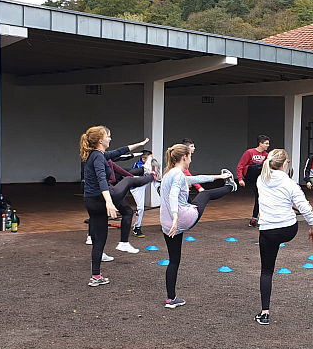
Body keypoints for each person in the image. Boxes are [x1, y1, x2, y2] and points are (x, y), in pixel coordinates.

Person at [160, 143, 237, 308]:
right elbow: (173, 195)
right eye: (190, 156)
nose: (191, 160)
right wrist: (176, 217)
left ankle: (171, 299)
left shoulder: (169, 173)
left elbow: (195, 179)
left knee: (173, 261)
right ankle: (231, 187)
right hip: (181, 218)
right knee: (205, 194)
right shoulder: (177, 174)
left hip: (166, 224)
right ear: (184, 157)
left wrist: (218, 177)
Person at [79, 126, 149, 287]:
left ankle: (96, 276)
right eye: (108, 136)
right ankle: (153, 177)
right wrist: (109, 202)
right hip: (101, 199)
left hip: (90, 201)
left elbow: (119, 151)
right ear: (100, 140)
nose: (110, 138)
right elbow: (101, 179)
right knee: (128, 180)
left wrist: (139, 144)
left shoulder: (95, 154)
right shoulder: (98, 157)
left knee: (99, 240)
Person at [254, 149, 313, 325]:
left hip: (268, 230)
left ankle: (264, 313)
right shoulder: (290, 183)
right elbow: (305, 207)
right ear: (284, 164)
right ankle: (264, 313)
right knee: (278, 238)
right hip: (288, 230)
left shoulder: (260, 180)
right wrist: (312, 226)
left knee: (266, 271)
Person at [237, 135, 270, 228]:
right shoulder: (250, 152)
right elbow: (240, 166)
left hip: (258, 179)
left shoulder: (266, 155)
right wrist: (240, 179)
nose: (268, 145)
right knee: (257, 167)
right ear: (260, 144)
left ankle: (254, 219)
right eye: (266, 143)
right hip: (249, 175)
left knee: (260, 197)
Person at [130, 151, 161, 238]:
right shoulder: (139, 165)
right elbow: (143, 174)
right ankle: (137, 228)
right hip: (136, 187)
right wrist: (153, 172)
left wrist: (156, 173)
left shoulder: (150, 164)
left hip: (144, 183)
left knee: (154, 179)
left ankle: (160, 189)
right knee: (141, 208)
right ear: (143, 159)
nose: (152, 159)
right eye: (150, 158)